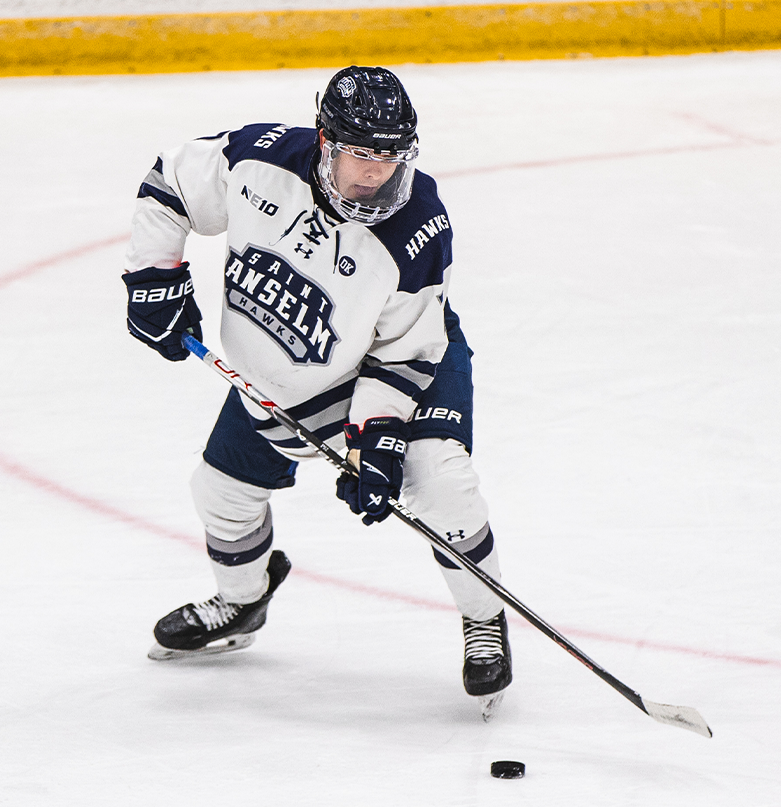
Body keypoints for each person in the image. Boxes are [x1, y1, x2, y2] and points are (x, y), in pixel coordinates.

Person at [120, 65, 512, 714]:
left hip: (399, 364)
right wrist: (153, 277)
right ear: (326, 141)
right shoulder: (260, 158)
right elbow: (172, 181)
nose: (376, 172)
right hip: (279, 376)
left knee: (439, 484)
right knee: (220, 495)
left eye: (390, 156)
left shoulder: (418, 221)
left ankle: (484, 616)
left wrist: (375, 436)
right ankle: (243, 603)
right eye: (361, 153)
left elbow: (406, 349)